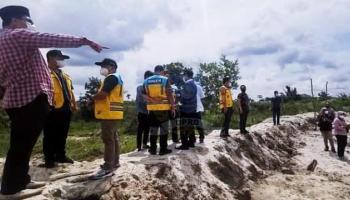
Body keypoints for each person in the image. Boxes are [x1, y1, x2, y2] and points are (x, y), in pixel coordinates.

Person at [0, 5, 103, 195]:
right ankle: (11, 188)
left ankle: (22, 180)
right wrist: (85, 41)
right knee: (21, 145)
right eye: (26, 21)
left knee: (22, 143)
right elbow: (50, 38)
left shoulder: (2, 39)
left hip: (15, 99)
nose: (28, 25)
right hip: (29, 99)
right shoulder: (17, 35)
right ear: (14, 20)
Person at [41, 50, 77, 168]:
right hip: (52, 109)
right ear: (51, 58)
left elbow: (71, 91)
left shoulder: (65, 75)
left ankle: (61, 155)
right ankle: (49, 159)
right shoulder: (44, 73)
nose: (62, 60)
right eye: (59, 57)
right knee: (50, 135)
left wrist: (74, 104)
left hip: (66, 108)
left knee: (63, 134)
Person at [92, 58, 123, 179]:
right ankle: (115, 162)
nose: (101, 68)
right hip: (114, 113)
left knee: (108, 139)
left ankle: (108, 167)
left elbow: (103, 94)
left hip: (108, 113)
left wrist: (91, 99)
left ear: (112, 66)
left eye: (103, 65)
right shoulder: (118, 77)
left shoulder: (111, 78)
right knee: (114, 138)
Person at [143, 65, 175, 155]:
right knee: (164, 129)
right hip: (163, 108)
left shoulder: (146, 81)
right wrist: (173, 107)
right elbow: (169, 94)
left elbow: (143, 95)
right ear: (161, 71)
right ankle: (163, 149)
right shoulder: (164, 79)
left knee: (153, 129)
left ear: (154, 71)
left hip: (151, 109)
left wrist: (153, 100)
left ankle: (153, 149)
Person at [176, 69, 197, 150]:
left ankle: (184, 144)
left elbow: (185, 96)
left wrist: (178, 94)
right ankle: (191, 142)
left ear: (187, 75)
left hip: (186, 109)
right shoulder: (193, 83)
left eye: (184, 75)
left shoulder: (188, 84)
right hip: (192, 108)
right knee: (190, 126)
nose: (183, 77)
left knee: (183, 127)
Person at [136, 71, 153, 151]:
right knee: (141, 129)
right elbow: (142, 101)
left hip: (148, 112)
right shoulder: (140, 87)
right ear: (146, 77)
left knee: (147, 129)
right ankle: (139, 146)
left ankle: (144, 144)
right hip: (142, 112)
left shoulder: (150, 87)